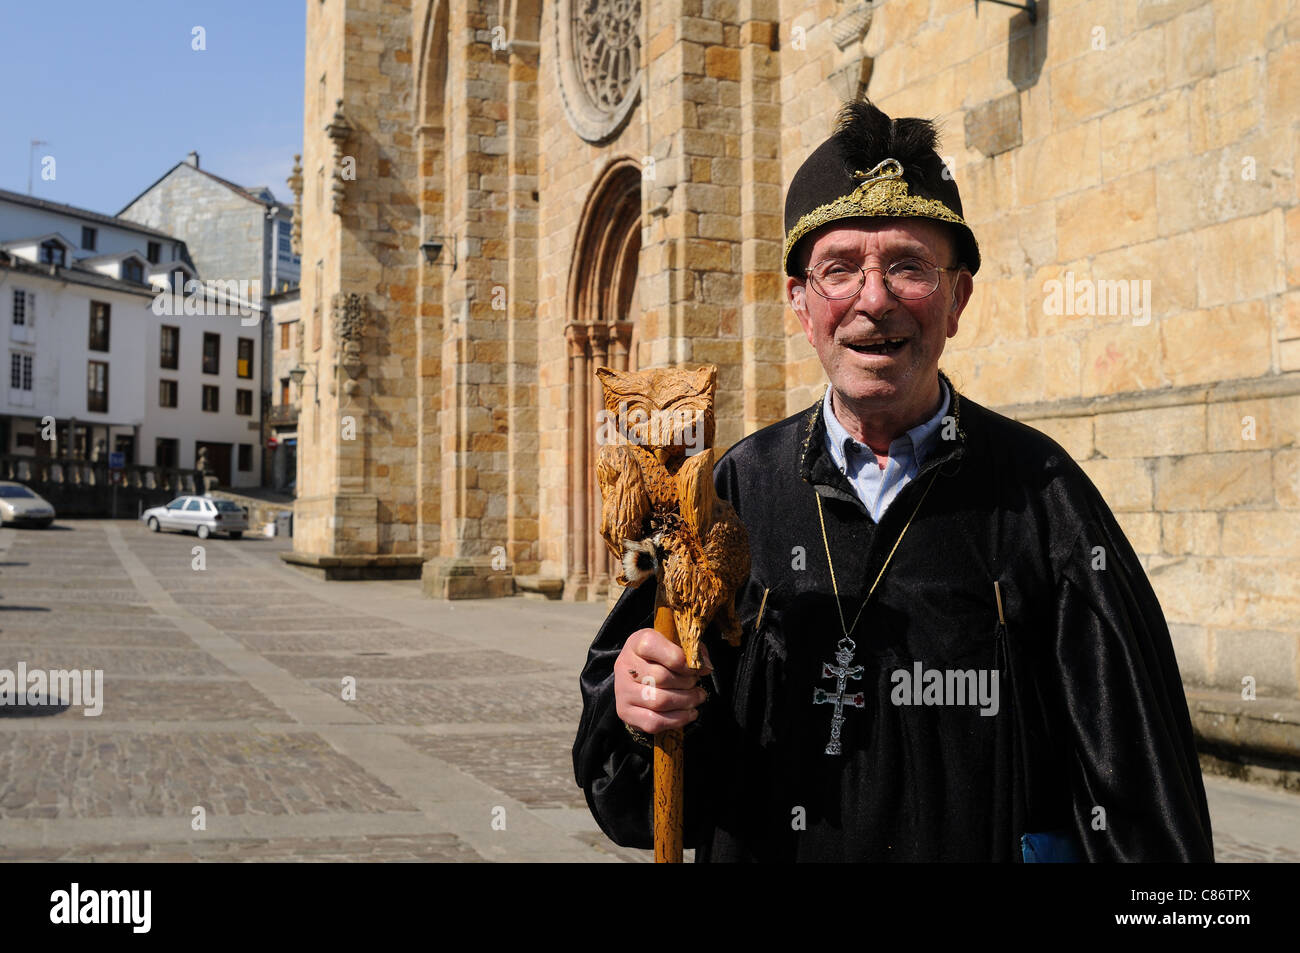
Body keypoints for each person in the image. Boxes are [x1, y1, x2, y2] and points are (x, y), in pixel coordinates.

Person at [572, 99, 1214, 862]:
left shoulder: (1043, 498)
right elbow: (633, 803)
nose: (873, 299)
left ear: (956, 300)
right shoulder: (728, 495)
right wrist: (641, 707)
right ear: (801, 305)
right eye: (839, 269)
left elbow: (1138, 797)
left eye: (909, 266)